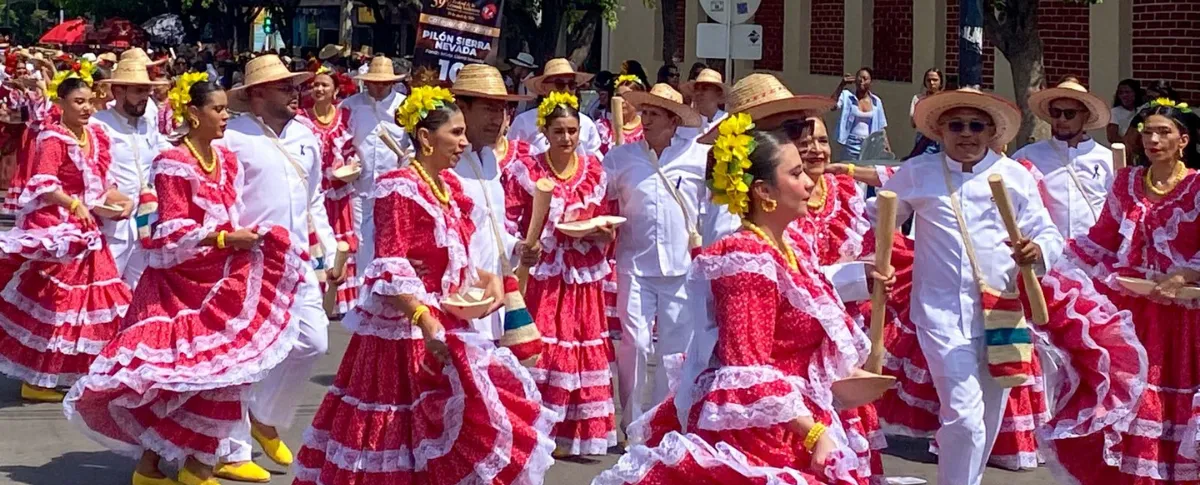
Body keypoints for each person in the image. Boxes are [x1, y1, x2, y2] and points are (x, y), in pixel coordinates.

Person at [293, 86, 557, 485]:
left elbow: (459, 259)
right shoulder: (398, 187)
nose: (463, 142)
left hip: (448, 320)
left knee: (461, 423)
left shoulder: (451, 192)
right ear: (424, 138)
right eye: (455, 133)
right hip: (404, 332)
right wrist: (422, 316)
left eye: (463, 133)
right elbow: (388, 264)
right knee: (396, 432)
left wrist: (488, 283)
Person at [595, 122, 871, 485]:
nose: (809, 183)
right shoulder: (745, 259)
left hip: (797, 419)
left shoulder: (792, 248)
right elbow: (745, 368)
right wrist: (813, 433)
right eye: (796, 173)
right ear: (764, 191)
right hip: (760, 432)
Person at [64, 79, 306, 485]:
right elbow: (173, 228)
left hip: (222, 277)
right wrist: (227, 237)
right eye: (217, 109)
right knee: (177, 377)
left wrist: (240, 238)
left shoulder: (227, 159)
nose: (225, 116)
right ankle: (165, 465)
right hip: (179, 284)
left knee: (225, 371)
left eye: (226, 109)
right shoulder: (173, 161)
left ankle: (186, 463)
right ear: (194, 114)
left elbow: (231, 211)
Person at [1042, 98, 1200, 483]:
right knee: (1130, 398)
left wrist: (1182, 275)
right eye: (1148, 132)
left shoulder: (1197, 185)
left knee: (1172, 401)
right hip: (1130, 314)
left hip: (1183, 317)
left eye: (1164, 132)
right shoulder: (1127, 182)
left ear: (1184, 140)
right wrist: (1050, 269)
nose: (1153, 139)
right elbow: (1102, 240)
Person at [215, 54, 338, 482]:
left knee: (314, 342)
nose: (295, 93)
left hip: (299, 258)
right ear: (257, 94)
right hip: (249, 261)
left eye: (295, 86)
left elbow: (314, 198)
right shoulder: (232, 136)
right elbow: (222, 198)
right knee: (247, 356)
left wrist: (329, 247)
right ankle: (232, 450)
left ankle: (265, 417)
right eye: (285, 87)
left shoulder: (307, 135)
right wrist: (226, 243)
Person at [0, 75, 133, 403]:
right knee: (60, 307)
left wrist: (123, 200)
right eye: (79, 102)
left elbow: (103, 183)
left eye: (89, 101)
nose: (86, 108)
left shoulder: (97, 136)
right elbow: (44, 182)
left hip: (89, 232)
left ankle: (89, 373)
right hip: (60, 231)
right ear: (61, 104)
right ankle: (39, 381)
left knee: (95, 304)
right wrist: (73, 203)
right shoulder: (53, 138)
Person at [504, 92, 617, 457]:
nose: (567, 139)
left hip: (582, 273)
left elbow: (603, 216)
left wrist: (600, 232)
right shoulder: (527, 170)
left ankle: (572, 434)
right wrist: (525, 245)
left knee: (582, 347)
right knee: (544, 348)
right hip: (544, 274)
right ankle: (535, 428)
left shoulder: (595, 171)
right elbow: (510, 220)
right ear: (546, 132)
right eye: (559, 131)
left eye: (572, 131)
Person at [604, 83, 705, 435]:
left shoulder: (697, 158)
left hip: (681, 267)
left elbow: (712, 207)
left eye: (654, 114)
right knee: (635, 342)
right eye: (643, 112)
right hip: (634, 264)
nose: (645, 120)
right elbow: (599, 199)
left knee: (674, 350)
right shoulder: (620, 158)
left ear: (674, 121)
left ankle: (662, 423)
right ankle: (632, 423)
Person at [449, 64, 533, 340]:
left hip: (491, 299)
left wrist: (519, 247)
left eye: (501, 110)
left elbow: (492, 230)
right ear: (461, 108)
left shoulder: (490, 162)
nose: (497, 118)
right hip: (456, 299)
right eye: (488, 109)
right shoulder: (440, 164)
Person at [90, 59, 171, 288]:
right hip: (112, 223)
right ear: (118, 91)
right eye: (138, 91)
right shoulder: (99, 124)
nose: (145, 96)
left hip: (146, 221)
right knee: (104, 288)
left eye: (147, 90)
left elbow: (164, 153)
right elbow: (92, 171)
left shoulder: (147, 123)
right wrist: (111, 195)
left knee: (141, 289)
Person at [1013, 80, 1114, 240]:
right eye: (1055, 112)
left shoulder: (1108, 159)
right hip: (1047, 255)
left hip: (1093, 256)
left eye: (1069, 114)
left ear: (1085, 115)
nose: (1061, 119)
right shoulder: (1027, 156)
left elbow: (1117, 210)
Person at [298, 67, 360, 316]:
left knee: (342, 245)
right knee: (319, 246)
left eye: (325, 85)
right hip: (315, 194)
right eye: (316, 85)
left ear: (335, 90)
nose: (320, 89)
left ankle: (341, 302)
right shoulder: (302, 119)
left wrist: (350, 166)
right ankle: (320, 298)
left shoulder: (345, 117)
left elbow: (351, 150)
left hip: (339, 192)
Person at [343, 55, 409, 268]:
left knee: (389, 241)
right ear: (366, 81)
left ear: (392, 83)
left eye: (384, 83)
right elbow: (339, 140)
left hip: (393, 189)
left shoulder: (406, 106)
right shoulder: (350, 105)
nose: (379, 88)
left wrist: (408, 159)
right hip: (358, 187)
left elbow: (415, 143)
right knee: (360, 242)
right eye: (374, 82)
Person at [507, 58, 602, 158]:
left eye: (571, 85)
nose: (566, 90)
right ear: (544, 88)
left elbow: (595, 163)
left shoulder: (587, 123)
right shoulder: (524, 121)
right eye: (559, 84)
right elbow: (512, 157)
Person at [833, 67, 888, 160]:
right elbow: (832, 105)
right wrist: (841, 85)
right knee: (849, 170)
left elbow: (881, 128)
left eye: (865, 79)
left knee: (865, 171)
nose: (861, 81)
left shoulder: (876, 102)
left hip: (869, 145)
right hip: (851, 144)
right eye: (859, 78)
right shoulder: (847, 96)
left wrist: (886, 148)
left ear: (871, 82)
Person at [596, 73, 646, 154]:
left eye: (627, 97)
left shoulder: (646, 129)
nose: (622, 101)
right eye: (618, 96)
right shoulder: (602, 127)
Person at [909, 68, 944, 157]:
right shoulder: (918, 98)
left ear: (941, 82)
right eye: (929, 80)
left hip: (941, 139)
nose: (932, 83)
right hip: (923, 138)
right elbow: (913, 123)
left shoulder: (944, 100)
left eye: (935, 80)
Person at [680, 68, 727, 134]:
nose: (698, 93)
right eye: (696, 89)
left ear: (718, 94)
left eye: (705, 88)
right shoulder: (685, 125)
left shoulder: (729, 121)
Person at [1107, 78, 1143, 145]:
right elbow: (1111, 137)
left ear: (1135, 93)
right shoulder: (1114, 112)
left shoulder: (1141, 111)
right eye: (1121, 93)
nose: (1124, 95)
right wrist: (1128, 143)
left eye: (1127, 92)